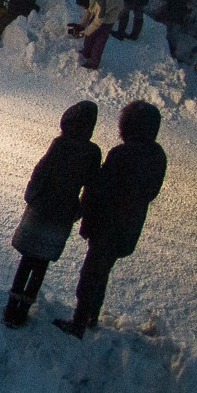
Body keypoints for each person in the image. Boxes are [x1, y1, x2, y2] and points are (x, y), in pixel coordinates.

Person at [57, 101, 167, 337]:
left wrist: (85, 214)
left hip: (106, 226)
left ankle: (79, 322)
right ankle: (91, 316)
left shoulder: (121, 154)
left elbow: (99, 190)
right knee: (102, 271)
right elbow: (150, 192)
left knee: (90, 274)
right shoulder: (158, 156)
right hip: (129, 228)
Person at [3, 101, 101, 328]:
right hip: (62, 215)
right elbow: (91, 187)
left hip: (41, 210)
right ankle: (24, 309)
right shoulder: (92, 153)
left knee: (27, 259)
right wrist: (78, 210)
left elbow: (41, 172)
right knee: (41, 264)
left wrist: (32, 196)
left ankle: (11, 309)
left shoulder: (60, 144)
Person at [71, 0, 122, 70]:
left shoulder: (99, 5)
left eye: (81, 5)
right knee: (90, 33)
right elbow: (88, 12)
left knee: (99, 39)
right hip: (106, 4)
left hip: (114, 8)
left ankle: (93, 62)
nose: (81, 7)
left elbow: (96, 24)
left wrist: (83, 33)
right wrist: (82, 26)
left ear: (86, 2)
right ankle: (86, 52)